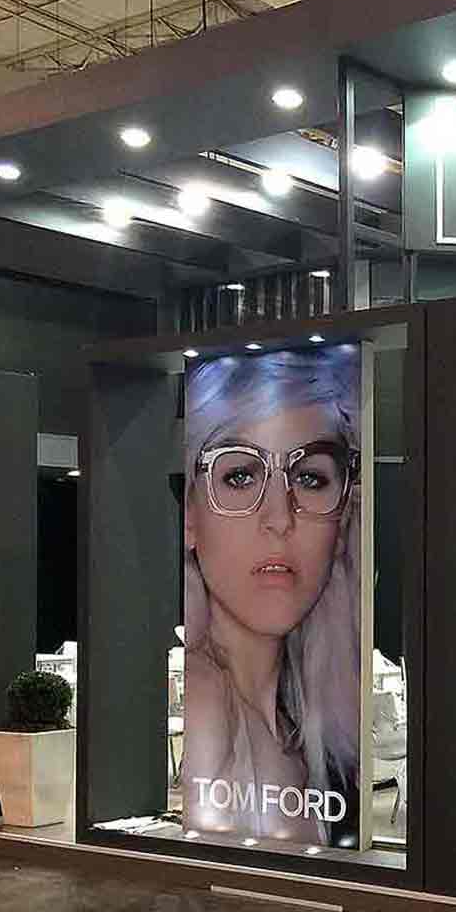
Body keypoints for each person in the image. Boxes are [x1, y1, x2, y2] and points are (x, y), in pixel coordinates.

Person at [182, 348, 363, 849]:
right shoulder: (209, 706)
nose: (280, 518)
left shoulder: (315, 722)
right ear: (191, 517)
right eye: (240, 476)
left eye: (310, 478)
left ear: (342, 522)